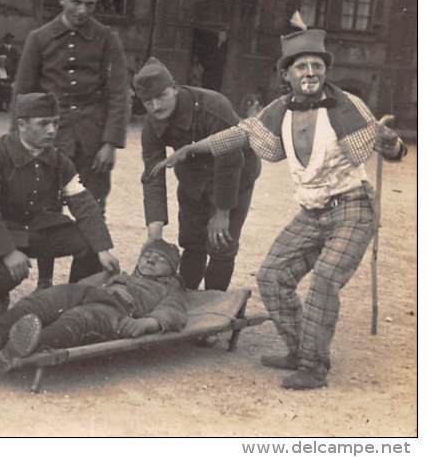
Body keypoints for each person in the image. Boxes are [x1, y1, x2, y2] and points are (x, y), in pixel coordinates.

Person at [150, 28, 407, 390]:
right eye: (301, 66)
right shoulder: (279, 111)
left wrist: (391, 144)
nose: (310, 72)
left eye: (316, 65)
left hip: (353, 207)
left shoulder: (349, 104)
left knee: (325, 280)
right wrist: (192, 149)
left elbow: (389, 149)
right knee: (272, 275)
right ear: (286, 74)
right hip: (312, 211)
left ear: (325, 70)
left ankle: (314, 366)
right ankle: (298, 348)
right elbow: (240, 134)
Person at [0, 92, 120, 321]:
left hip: (38, 231)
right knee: (8, 270)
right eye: (43, 124)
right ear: (22, 124)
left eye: (56, 123)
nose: (51, 130)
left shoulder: (59, 160)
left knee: (90, 244)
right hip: (0, 231)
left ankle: (72, 301)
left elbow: (84, 204)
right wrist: (8, 251)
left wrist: (102, 248)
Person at [0, 239, 187, 373]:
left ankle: (17, 351)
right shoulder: (121, 275)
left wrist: (147, 323)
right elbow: (80, 288)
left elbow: (174, 311)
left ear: (171, 271)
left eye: (161, 259)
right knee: (43, 300)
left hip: (118, 311)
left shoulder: (171, 286)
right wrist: (102, 278)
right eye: (148, 255)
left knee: (78, 319)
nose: (151, 260)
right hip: (90, 292)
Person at [135, 56, 261, 291]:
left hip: (235, 174)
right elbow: (152, 175)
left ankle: (213, 305)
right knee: (192, 241)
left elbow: (231, 158)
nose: (156, 107)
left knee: (221, 243)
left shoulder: (213, 107)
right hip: (193, 177)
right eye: (147, 102)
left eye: (161, 96)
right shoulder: (152, 124)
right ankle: (187, 298)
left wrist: (222, 212)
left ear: (174, 88)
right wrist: (154, 232)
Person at [13, 0, 130, 217]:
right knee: (44, 208)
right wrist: (20, 143)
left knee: (92, 210)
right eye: (76, 2)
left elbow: (119, 93)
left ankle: (88, 257)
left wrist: (110, 143)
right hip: (51, 137)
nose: (83, 11)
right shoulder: (39, 39)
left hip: (93, 140)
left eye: (90, 4)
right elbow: (23, 94)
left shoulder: (108, 39)